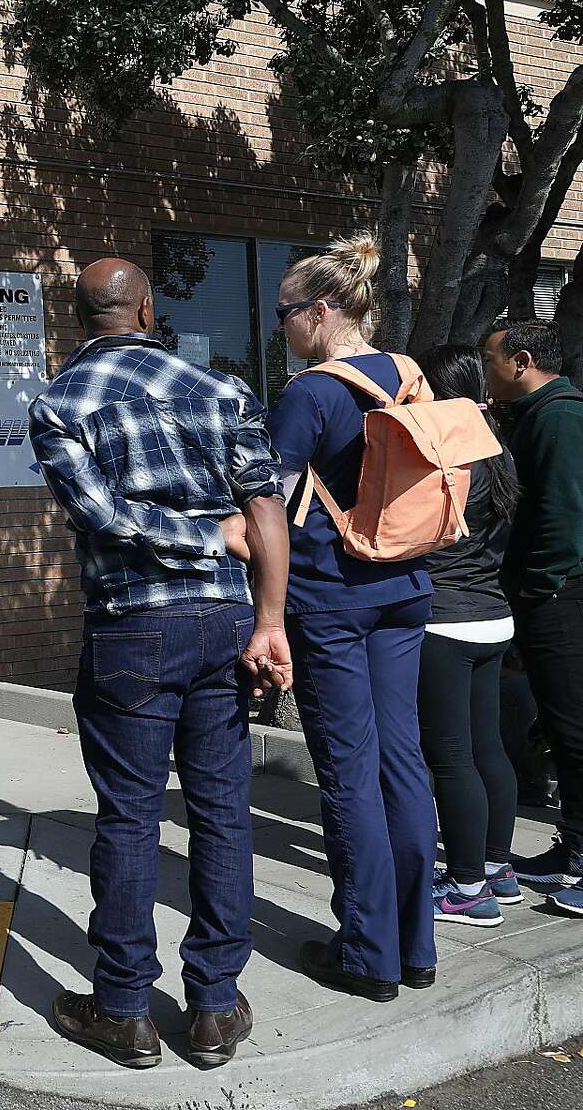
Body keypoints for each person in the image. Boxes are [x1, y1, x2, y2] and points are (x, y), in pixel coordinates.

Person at [27, 258, 288, 1069]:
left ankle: (123, 1009)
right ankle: (214, 1006)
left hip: (132, 627)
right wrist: (271, 619)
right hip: (226, 620)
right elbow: (265, 506)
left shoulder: (60, 403)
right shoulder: (223, 389)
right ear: (147, 308)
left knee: (131, 817)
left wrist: (198, 537)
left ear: (79, 318)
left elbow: (101, 516)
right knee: (221, 811)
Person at [269, 235, 436, 1001]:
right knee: (402, 763)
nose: (280, 326)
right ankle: (416, 945)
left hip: (331, 596)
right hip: (405, 583)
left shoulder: (310, 393)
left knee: (349, 775)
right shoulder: (407, 373)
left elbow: (267, 503)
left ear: (320, 310)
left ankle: (368, 955)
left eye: (284, 313)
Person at [415, 344, 522, 926]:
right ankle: (497, 867)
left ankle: (466, 887)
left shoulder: (448, 453)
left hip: (446, 622)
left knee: (451, 756)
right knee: (487, 748)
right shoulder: (495, 446)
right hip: (492, 616)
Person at [484, 319, 583, 909]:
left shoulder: (560, 417)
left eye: (490, 359)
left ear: (521, 361)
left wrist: (539, 589)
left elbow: (563, 516)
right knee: (560, 724)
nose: (486, 371)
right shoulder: (531, 417)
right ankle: (573, 844)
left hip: (561, 597)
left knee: (573, 725)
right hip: (545, 596)